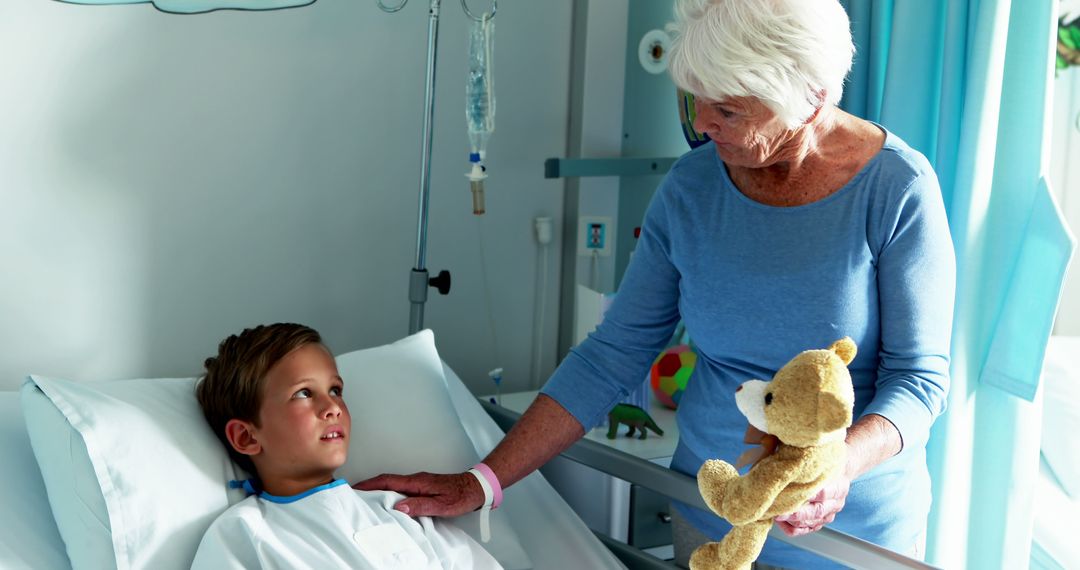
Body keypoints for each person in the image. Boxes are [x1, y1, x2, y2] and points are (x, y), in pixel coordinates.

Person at [357, 0, 955, 567]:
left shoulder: (895, 190)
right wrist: (482, 481)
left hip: (851, 537)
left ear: (811, 97)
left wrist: (838, 467)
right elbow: (613, 354)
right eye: (694, 101)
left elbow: (920, 380)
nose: (702, 124)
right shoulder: (692, 188)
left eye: (729, 110)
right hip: (712, 519)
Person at [191, 323, 501, 570]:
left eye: (335, 390)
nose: (333, 407)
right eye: (303, 393)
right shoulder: (243, 534)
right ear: (246, 437)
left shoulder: (397, 510)